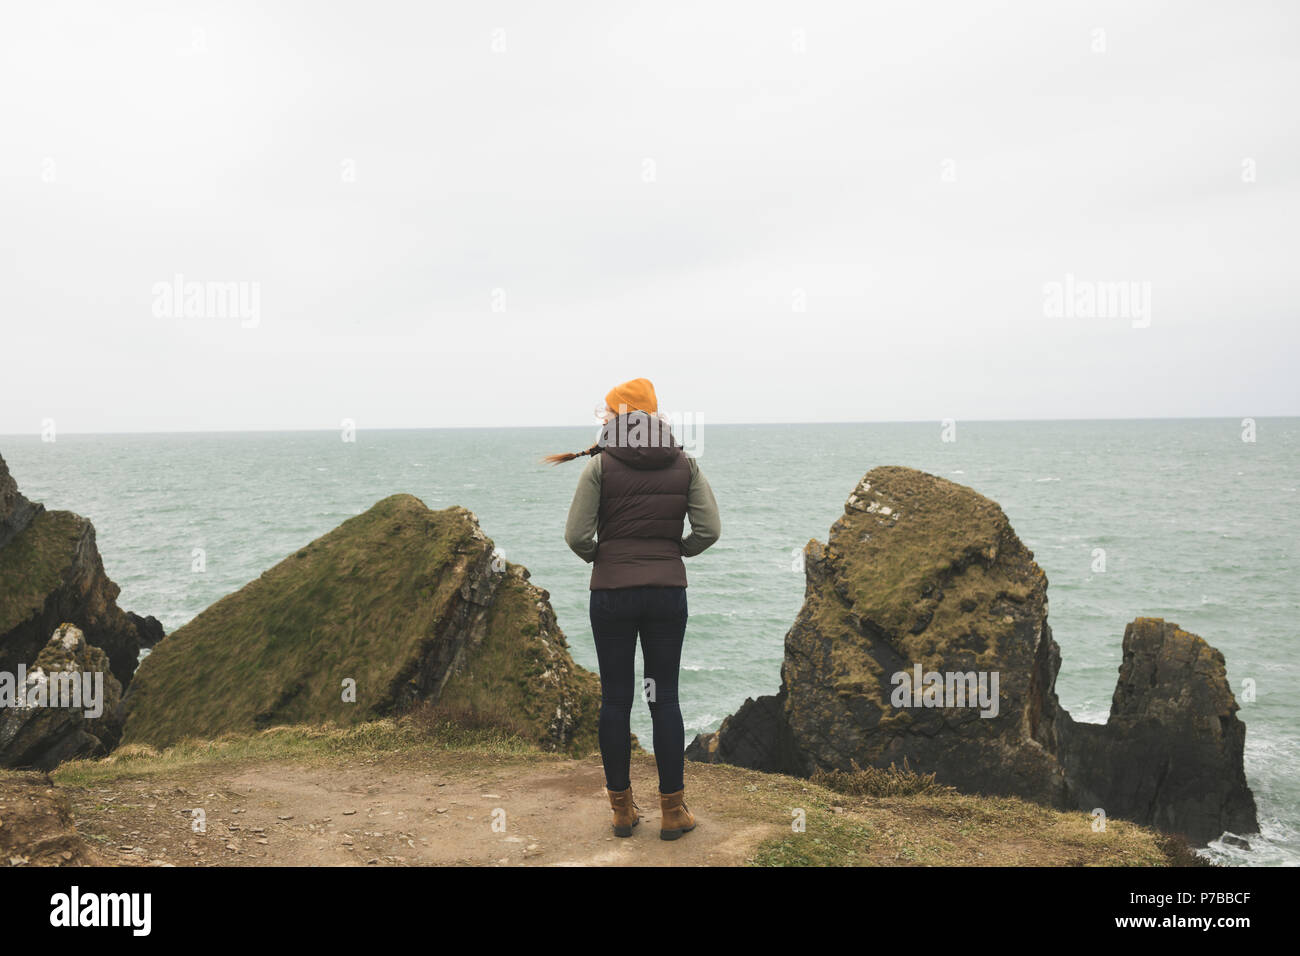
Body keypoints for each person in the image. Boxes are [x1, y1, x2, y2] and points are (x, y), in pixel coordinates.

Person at [545, 378, 720, 840]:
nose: (600, 416)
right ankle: (673, 813)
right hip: (666, 593)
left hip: (612, 594)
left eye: (604, 410)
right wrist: (674, 552)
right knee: (664, 699)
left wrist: (604, 560)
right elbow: (709, 530)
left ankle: (622, 812)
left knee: (616, 700)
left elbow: (577, 537)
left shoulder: (599, 467)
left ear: (619, 416)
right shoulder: (685, 463)